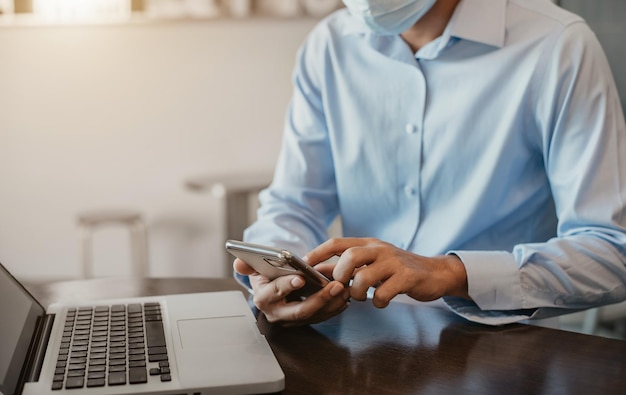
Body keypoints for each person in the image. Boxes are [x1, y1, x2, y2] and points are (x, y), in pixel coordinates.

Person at [234, 0, 626, 326]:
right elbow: (294, 204)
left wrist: (449, 273)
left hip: (503, 348)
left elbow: (611, 251)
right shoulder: (329, 45)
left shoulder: (558, 46)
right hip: (361, 338)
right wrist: (279, 278)